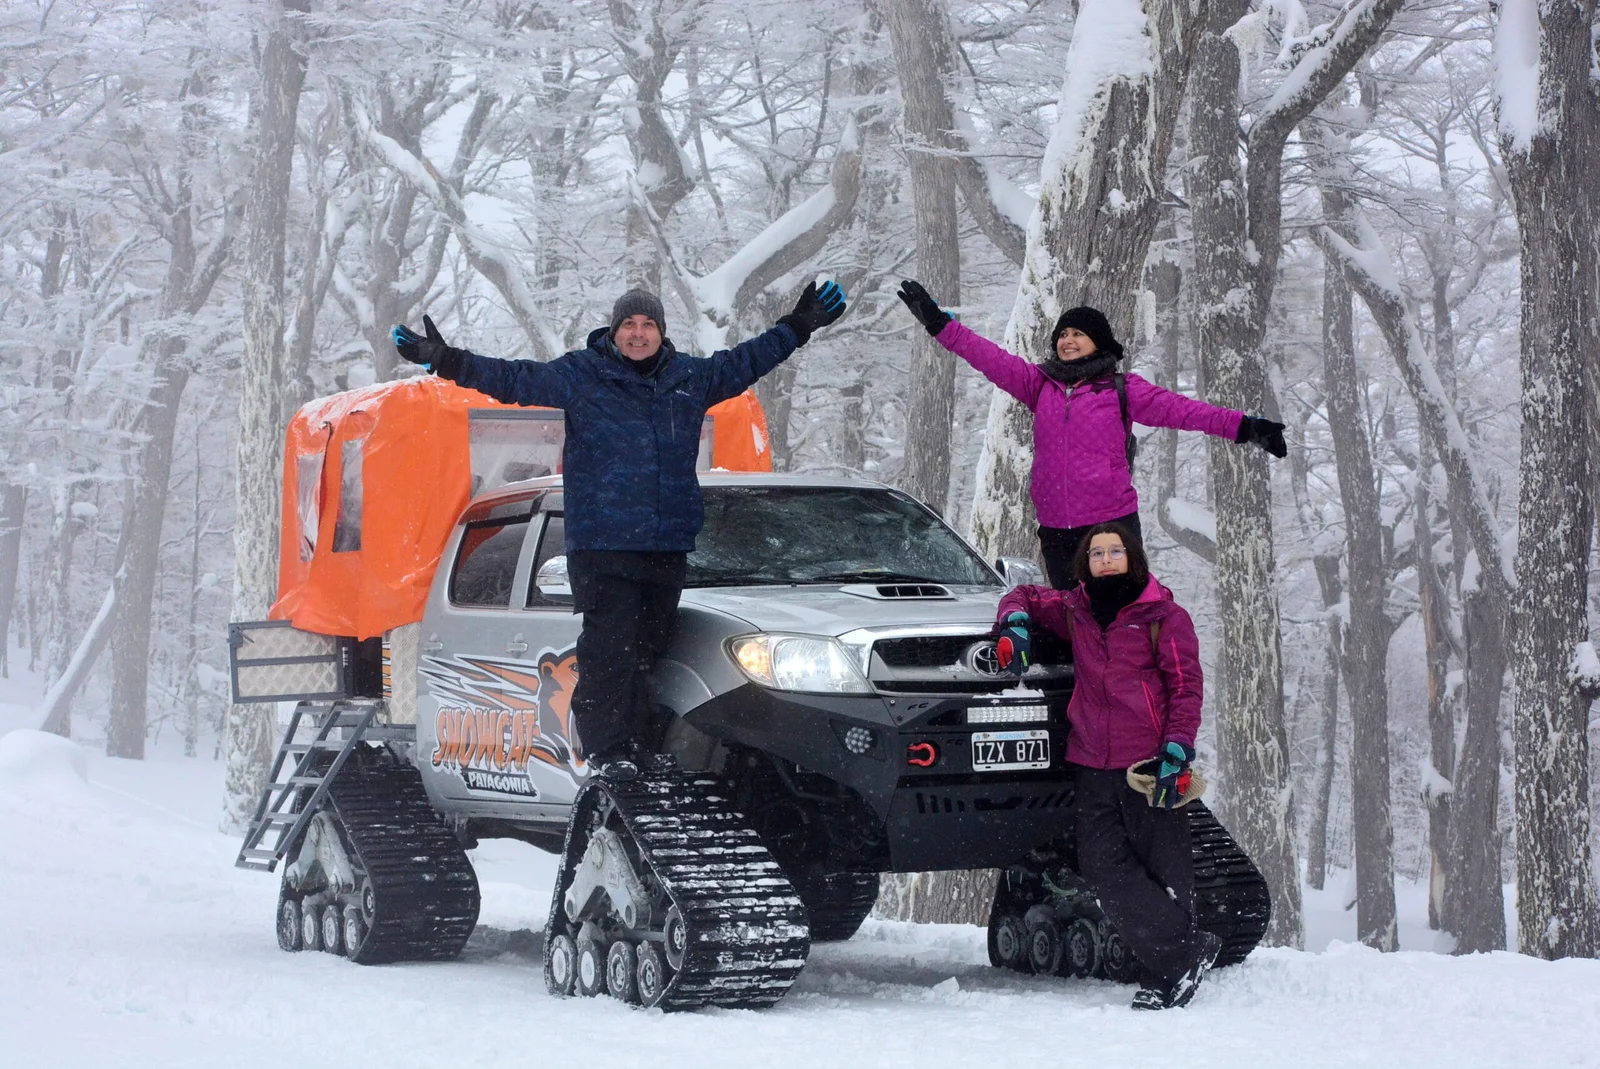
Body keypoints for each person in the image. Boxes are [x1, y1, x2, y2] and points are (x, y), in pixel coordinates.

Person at [393, 281, 847, 778]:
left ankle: (642, 746)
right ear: (613, 332)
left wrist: (798, 326)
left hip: (666, 542)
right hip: (603, 542)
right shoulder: (582, 376)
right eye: (628, 324)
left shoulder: (690, 378)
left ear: (661, 332)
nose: (638, 333)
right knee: (611, 648)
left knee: (651, 651)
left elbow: (748, 360)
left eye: (647, 324)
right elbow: (513, 379)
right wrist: (445, 359)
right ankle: (608, 751)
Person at [896, 280, 1286, 588]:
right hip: (1056, 530)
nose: (1067, 340)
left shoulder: (1122, 388)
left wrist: (1247, 427)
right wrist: (940, 324)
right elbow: (991, 359)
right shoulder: (1040, 385)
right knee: (1072, 627)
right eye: (1062, 334)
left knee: (1118, 624)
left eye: (1077, 333)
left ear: (1097, 341)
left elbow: (1185, 411)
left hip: (1110, 525)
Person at [992, 522, 1222, 1010]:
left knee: (1164, 867)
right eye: (1096, 553)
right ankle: (1186, 953)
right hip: (1091, 760)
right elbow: (1024, 596)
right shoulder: (1075, 611)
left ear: (1132, 557)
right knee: (1100, 867)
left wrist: (1178, 748)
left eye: (1115, 551)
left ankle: (1169, 970)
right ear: (1085, 563)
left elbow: (1185, 688)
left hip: (1148, 763)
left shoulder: (1164, 616)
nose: (1106, 559)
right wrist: (1012, 625)